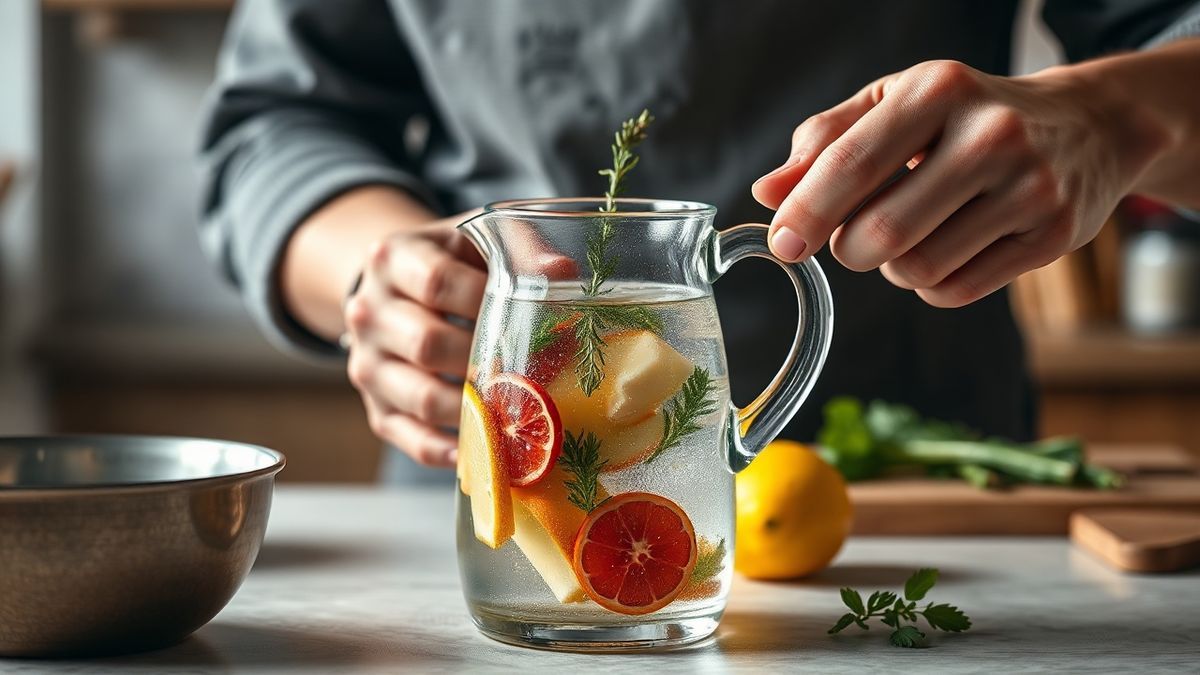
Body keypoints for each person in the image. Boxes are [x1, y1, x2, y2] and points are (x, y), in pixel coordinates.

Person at [198, 1, 1200, 477]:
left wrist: (1120, 115)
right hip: (508, 493)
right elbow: (276, 122)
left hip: (925, 514)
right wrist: (381, 271)